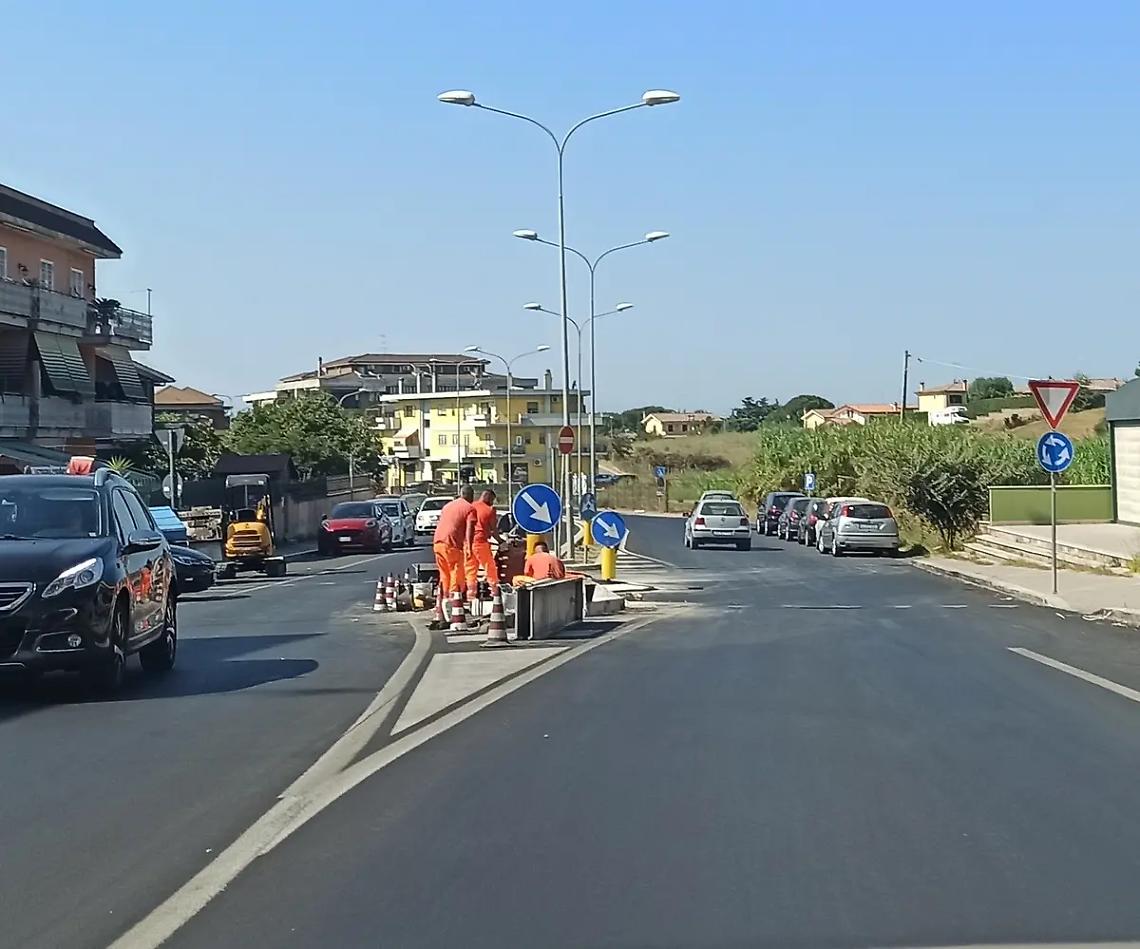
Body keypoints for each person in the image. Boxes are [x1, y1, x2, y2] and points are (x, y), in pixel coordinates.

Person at [432, 485, 474, 599]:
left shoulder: (447, 506)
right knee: (456, 571)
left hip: (438, 543)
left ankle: (444, 598)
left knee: (444, 573)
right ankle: (454, 599)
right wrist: (469, 547)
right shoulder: (469, 508)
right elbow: (470, 529)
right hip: (452, 544)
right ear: (470, 496)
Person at [465, 488, 500, 598]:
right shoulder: (489, 510)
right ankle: (495, 592)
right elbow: (493, 530)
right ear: (488, 497)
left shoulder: (470, 507)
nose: (492, 502)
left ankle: (470, 595)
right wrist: (501, 541)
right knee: (490, 567)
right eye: (492, 499)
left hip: (468, 543)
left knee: (470, 570)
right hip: (480, 542)